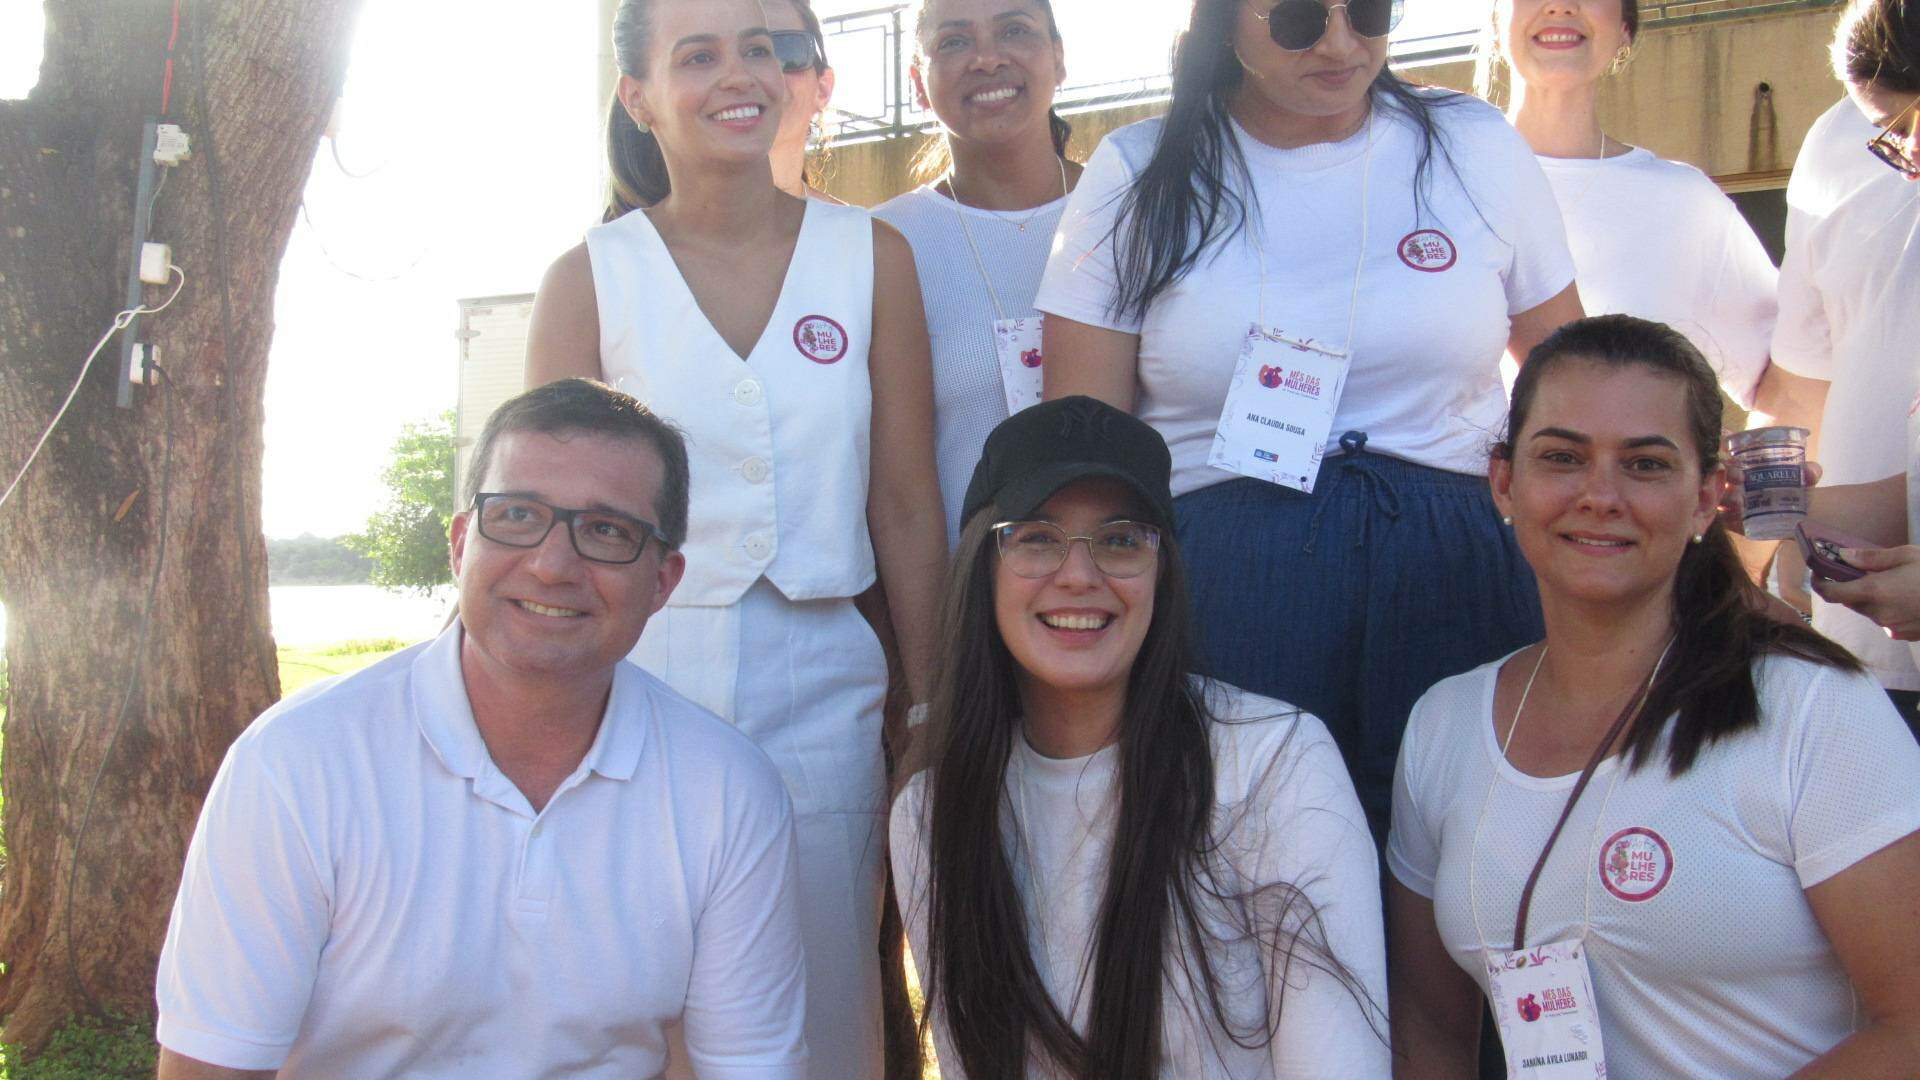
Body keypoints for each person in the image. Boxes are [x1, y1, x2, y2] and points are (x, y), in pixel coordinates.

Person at [1035, 0, 1584, 840]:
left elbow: (1574, 379)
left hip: (1455, 579)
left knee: (1470, 861)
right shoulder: (1140, 169)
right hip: (1230, 596)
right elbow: (1084, 443)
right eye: (1296, 18)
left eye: (1368, 10)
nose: (1339, 42)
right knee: (1247, 865)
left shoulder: (1471, 143)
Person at [154, 380, 808, 1079]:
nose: (552, 566)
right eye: (518, 515)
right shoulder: (295, 764)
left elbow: (749, 1066)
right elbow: (212, 1066)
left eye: (606, 531)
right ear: (461, 543)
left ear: (663, 581)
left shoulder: (727, 789)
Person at [524, 1, 947, 1075]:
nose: (738, 74)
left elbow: (904, 503)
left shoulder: (871, 257)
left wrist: (932, 706)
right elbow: (544, 526)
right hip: (634, 687)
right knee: (630, 1002)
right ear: (639, 97)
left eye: (761, 47)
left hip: (827, 691)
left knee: (825, 998)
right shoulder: (590, 278)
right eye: (699, 54)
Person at [1388, 315, 1920, 1077]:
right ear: (1504, 483)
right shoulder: (1443, 725)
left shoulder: (1812, 708)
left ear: (1705, 499)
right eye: (1562, 457)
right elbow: (1431, 1033)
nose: (1600, 495)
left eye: (1644, 465)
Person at [891, 395, 1388, 1077]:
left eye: (1120, 540)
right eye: (1037, 537)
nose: (1079, 575)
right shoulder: (929, 812)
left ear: (1163, 572)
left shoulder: (1276, 762)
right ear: (984, 565)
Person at [1747, 0, 1920, 711]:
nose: (1907, 163)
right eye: (1889, 137)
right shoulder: (1831, 143)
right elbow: (1905, 496)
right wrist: (1749, 509)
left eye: (1906, 128)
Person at [1483, 0, 1775, 404]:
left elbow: (1789, 378)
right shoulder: (1437, 180)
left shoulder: (1685, 203)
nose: (1561, 6)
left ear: (1625, 28)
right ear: (1497, 21)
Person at [872, 0, 1083, 549]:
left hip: (1121, 580)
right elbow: (887, 488)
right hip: (959, 586)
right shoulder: (880, 243)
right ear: (918, 83)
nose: (987, 59)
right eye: (954, 41)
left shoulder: (1130, 211)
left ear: (1059, 57)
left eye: (1015, 30)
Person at [766, 0, 841, 201]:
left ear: (822, 89)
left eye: (786, 49)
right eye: (706, 57)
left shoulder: (857, 222)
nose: (759, 74)